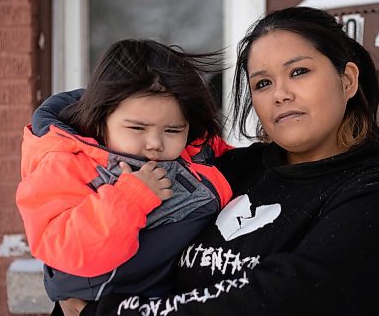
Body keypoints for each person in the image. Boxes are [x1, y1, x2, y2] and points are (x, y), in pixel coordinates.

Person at [63, 6, 379, 316]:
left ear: (346, 81)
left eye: (299, 72)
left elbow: (285, 299)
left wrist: (115, 311)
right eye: (263, 83)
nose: (281, 94)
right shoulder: (229, 172)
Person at [15, 39, 233, 309]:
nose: (155, 143)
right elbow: (64, 247)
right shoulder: (66, 163)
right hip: (106, 299)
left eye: (172, 130)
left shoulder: (190, 150)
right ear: (101, 118)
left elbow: (221, 155)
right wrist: (130, 199)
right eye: (137, 128)